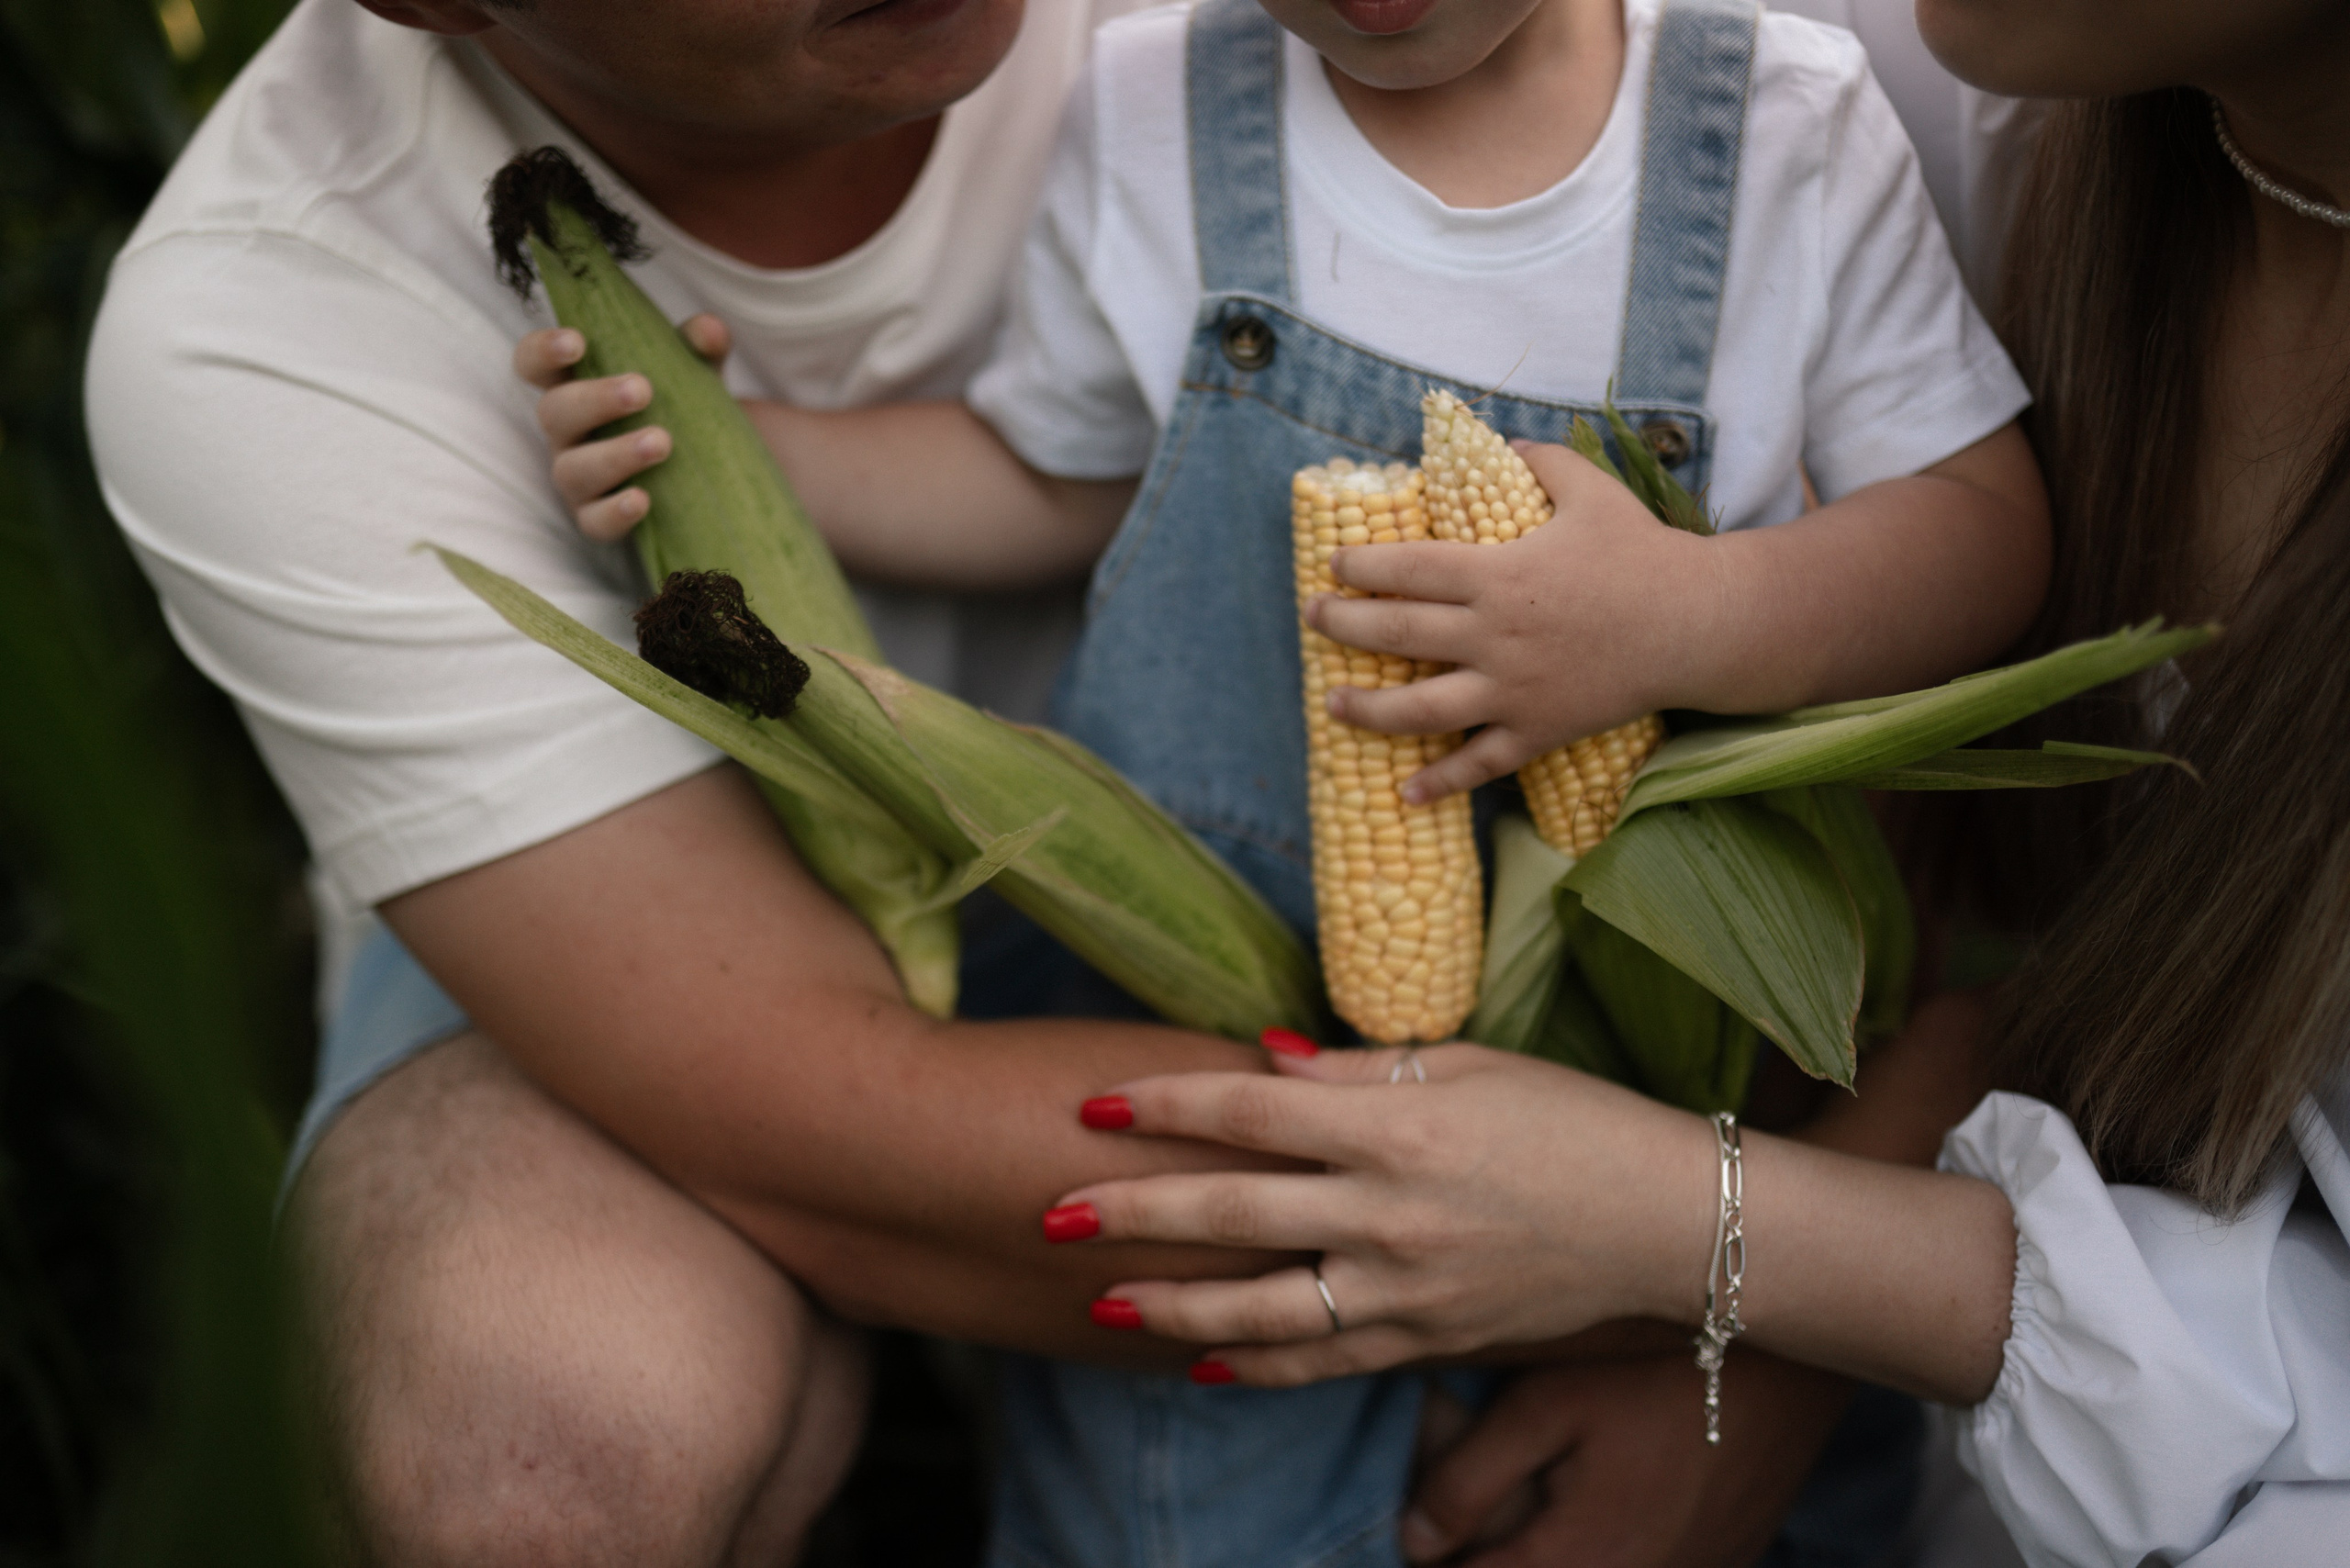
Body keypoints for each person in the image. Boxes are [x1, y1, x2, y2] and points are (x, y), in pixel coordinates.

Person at [82, 1, 1999, 1564]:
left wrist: (1731, 1301)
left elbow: (1978, 605)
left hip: (1526, 988)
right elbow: (819, 1101)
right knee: (540, 1466)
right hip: (737, 921)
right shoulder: (266, 310)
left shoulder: (1741, 119)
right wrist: (1687, 1253)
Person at [1039, 0, 2350, 1561]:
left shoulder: (1773, 124)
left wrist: (1683, 624)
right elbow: (1043, 470)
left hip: (1733, 1101)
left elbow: (1977, 528)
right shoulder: (2001, 81)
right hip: (1282, 1060)